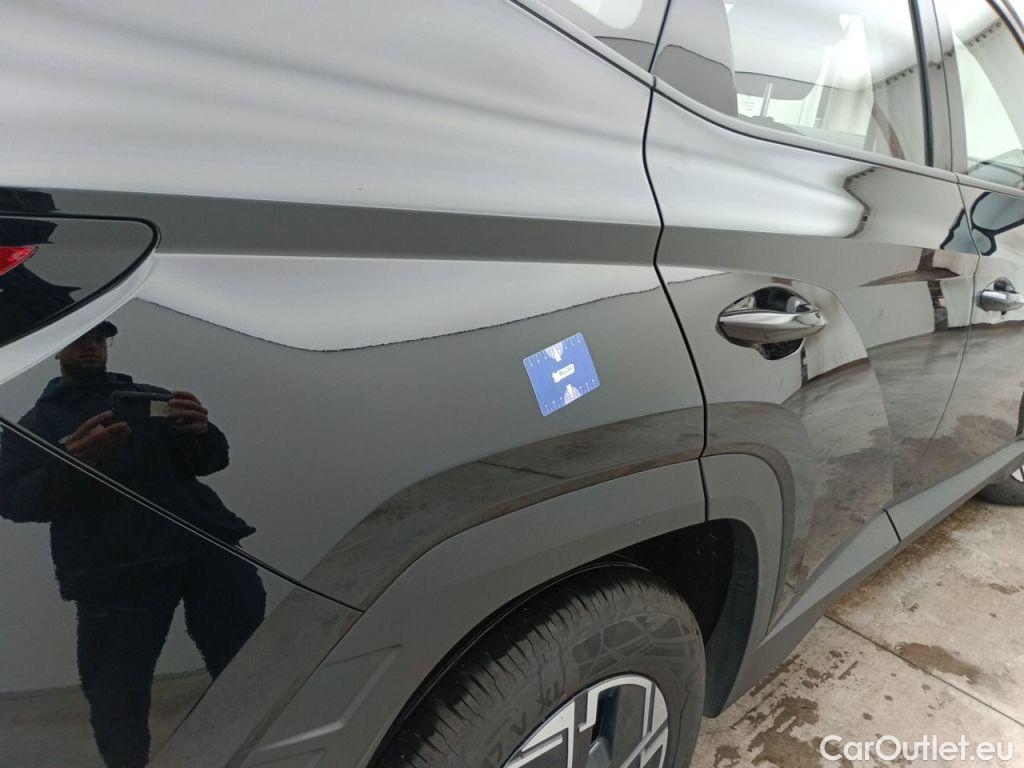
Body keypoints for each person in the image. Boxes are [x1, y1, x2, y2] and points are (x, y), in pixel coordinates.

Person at [0, 321, 266, 768]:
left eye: (99, 338)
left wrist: (202, 431)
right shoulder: (36, 424)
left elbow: (210, 461)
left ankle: (266, 750)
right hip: (115, 572)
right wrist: (71, 464)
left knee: (249, 663)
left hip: (203, 547)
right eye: (80, 338)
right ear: (57, 348)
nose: (92, 346)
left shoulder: (149, 397)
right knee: (115, 695)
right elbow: (12, 500)